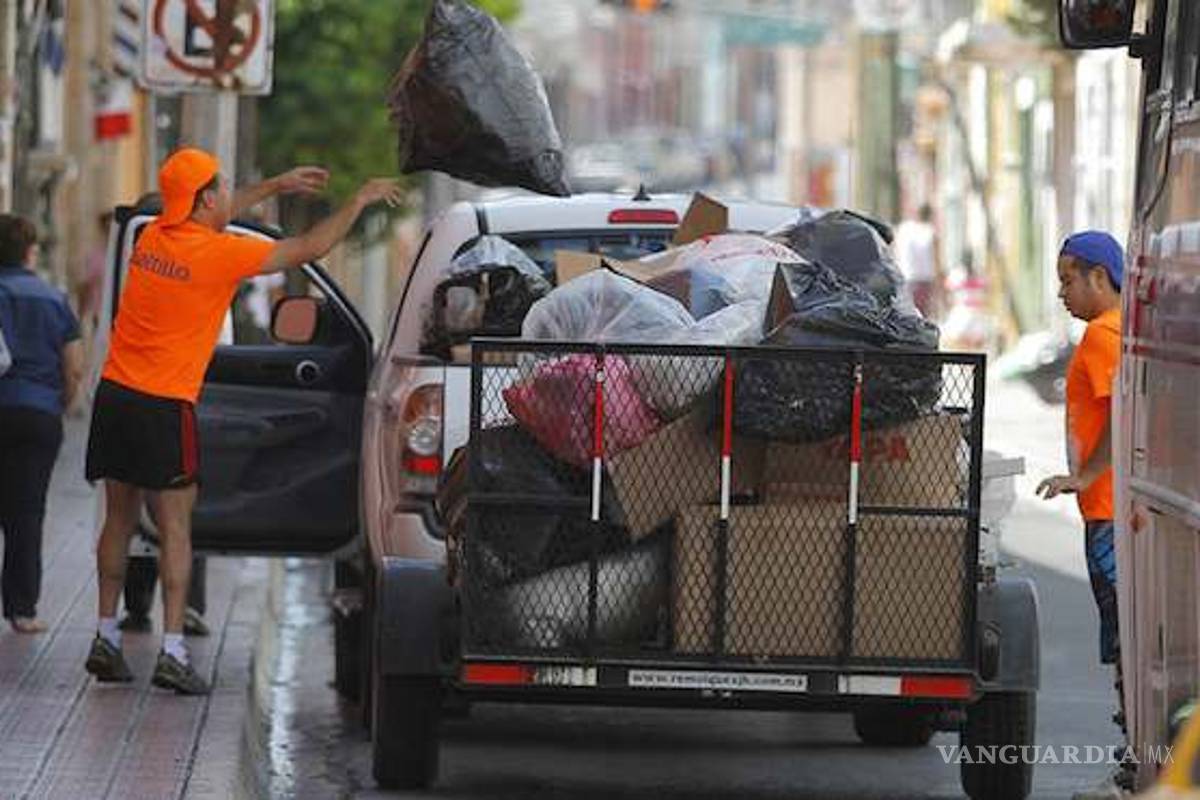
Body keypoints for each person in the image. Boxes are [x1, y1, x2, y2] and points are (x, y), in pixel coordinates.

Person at [83, 147, 402, 694]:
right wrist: (359, 200)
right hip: (165, 404)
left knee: (118, 520)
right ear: (206, 199)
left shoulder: (153, 237)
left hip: (117, 396)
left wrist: (275, 184)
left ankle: (106, 637)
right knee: (176, 529)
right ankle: (174, 650)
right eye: (222, 187)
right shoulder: (219, 256)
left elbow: (215, 212)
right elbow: (311, 247)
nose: (229, 194)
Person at [1036, 231, 1123, 674]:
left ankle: (1138, 736)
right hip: (1110, 507)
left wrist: (1086, 476)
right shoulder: (1117, 331)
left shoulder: (1103, 335)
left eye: (1069, 281)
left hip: (1108, 509)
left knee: (1122, 633)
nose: (1061, 292)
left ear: (1099, 276)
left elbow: (1122, 409)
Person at [0, 214, 84, 633]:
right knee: (27, 512)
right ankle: (22, 609)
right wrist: (63, 406)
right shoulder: (53, 299)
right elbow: (73, 367)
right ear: (31, 252)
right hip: (37, 414)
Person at [894, 203, 942, 318]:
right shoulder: (930, 232)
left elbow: (895, 251)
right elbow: (936, 259)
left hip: (906, 277)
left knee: (907, 314)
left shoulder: (903, 229)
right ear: (930, 216)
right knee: (923, 315)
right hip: (924, 278)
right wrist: (939, 282)